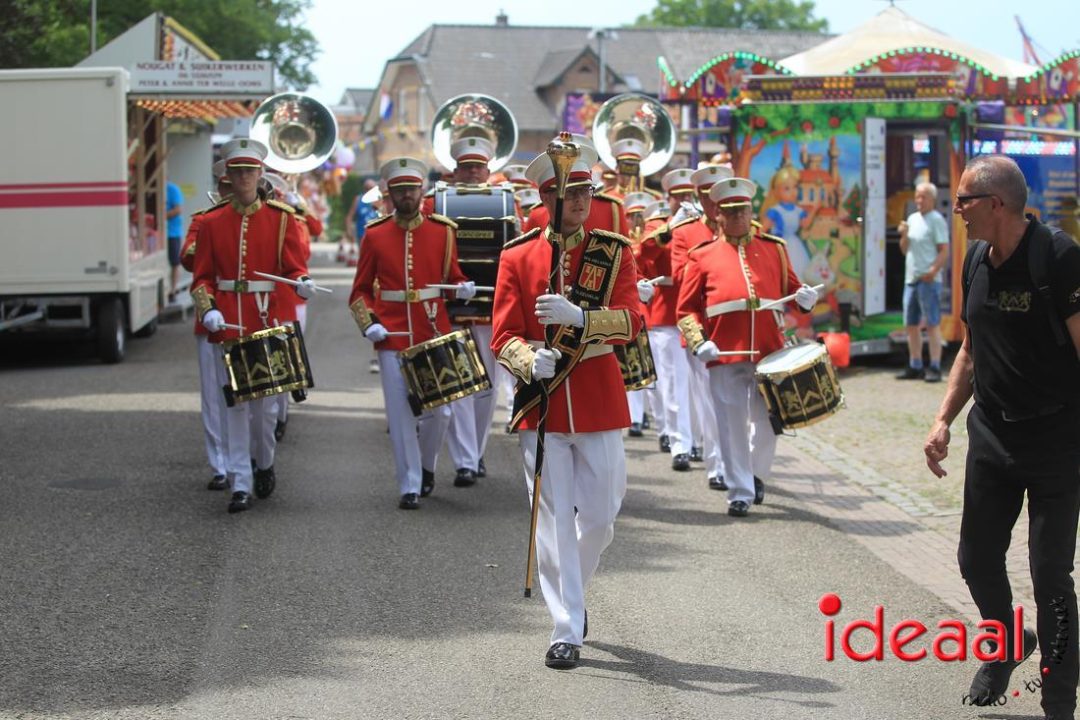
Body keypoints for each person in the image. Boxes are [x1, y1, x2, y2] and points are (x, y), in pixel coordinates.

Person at [924, 155, 1080, 719]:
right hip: (991, 434)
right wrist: (943, 419)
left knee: (1050, 576)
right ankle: (1008, 642)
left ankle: (1059, 702)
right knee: (976, 558)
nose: (956, 209)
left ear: (995, 204)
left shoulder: (1057, 258)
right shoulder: (974, 260)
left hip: (1057, 438)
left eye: (963, 200)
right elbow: (970, 349)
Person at [492, 140, 642, 670]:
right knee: (553, 520)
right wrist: (527, 359)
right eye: (569, 192)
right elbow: (502, 335)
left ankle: (571, 588)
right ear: (546, 198)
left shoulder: (613, 251)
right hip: (544, 402)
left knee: (601, 515)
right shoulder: (517, 256)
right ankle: (566, 626)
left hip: (598, 397)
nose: (580, 200)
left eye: (585, 191)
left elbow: (633, 321)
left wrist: (582, 319)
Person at [677, 176, 818, 517]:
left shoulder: (774, 248)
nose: (739, 217)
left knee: (769, 421)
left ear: (752, 210)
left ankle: (755, 474)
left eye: (743, 210)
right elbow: (685, 310)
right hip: (724, 352)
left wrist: (806, 299)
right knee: (731, 424)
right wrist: (699, 342)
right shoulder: (701, 256)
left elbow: (794, 292)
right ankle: (739, 490)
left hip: (770, 350)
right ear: (718, 215)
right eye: (731, 211)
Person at [190, 138, 313, 514]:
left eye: (249, 171)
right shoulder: (211, 222)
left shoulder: (281, 218)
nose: (243, 177)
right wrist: (208, 309)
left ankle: (264, 462)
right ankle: (240, 482)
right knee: (234, 407)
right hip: (227, 321)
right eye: (237, 171)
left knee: (266, 411)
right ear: (228, 175)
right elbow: (201, 278)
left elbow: (294, 268)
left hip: (265, 320)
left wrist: (301, 282)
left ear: (260, 174)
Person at [348, 156, 474, 510]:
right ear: (390, 193)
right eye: (400, 190)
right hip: (391, 334)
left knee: (442, 413)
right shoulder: (375, 234)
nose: (406, 195)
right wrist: (369, 323)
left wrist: (462, 287)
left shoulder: (443, 231)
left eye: (412, 189)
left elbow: (452, 278)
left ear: (422, 191)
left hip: (432, 330)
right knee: (401, 415)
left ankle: (426, 466)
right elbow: (359, 291)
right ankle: (409, 485)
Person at [670, 164, 734, 492]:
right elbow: (680, 277)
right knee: (709, 403)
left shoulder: (744, 229)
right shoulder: (685, 233)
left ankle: (740, 465)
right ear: (699, 198)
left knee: (739, 405)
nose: (714, 203)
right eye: (707, 197)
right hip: (702, 328)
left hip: (735, 327)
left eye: (717, 195)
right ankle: (718, 466)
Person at [180, 161, 232, 492]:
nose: (232, 191)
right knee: (214, 395)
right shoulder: (203, 220)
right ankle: (220, 464)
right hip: (211, 314)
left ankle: (248, 456)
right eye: (226, 186)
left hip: (250, 314)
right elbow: (188, 257)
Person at [898, 181, 950, 382]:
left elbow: (944, 250)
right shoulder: (912, 219)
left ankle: (935, 366)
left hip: (929, 280)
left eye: (923, 197)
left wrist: (933, 270)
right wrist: (904, 235)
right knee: (911, 324)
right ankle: (915, 364)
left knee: (932, 324)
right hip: (911, 279)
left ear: (932, 199)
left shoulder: (936, 220)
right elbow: (904, 250)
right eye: (917, 196)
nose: (919, 200)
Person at [166, 180, 185, 302]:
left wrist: (162, 216)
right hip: (160, 233)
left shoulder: (172, 189)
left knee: (174, 262)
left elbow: (178, 209)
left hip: (172, 232)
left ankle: (173, 289)